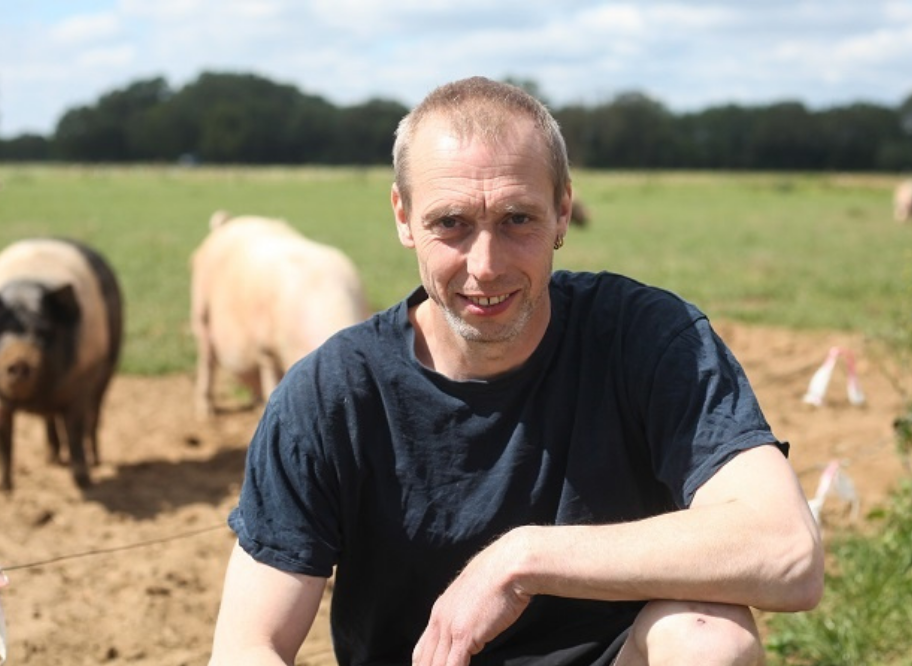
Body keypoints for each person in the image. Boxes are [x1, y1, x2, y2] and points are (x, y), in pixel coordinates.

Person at [209, 76, 824, 666]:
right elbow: (246, 646)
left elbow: (789, 552)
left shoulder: (647, 339)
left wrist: (519, 560)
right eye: (451, 223)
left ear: (562, 211)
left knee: (710, 639)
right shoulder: (330, 395)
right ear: (403, 216)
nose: (486, 265)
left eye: (517, 219)